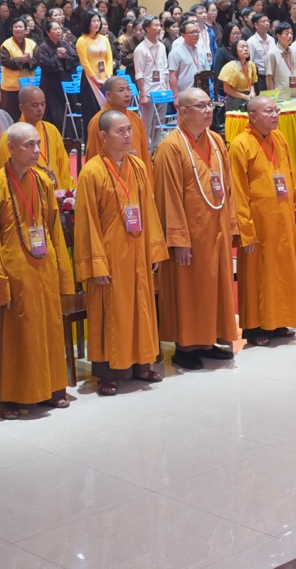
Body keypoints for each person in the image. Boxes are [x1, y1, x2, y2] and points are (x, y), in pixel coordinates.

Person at [0, 122, 75, 419]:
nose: (37, 151)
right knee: (18, 337)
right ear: (11, 148)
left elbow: (54, 230)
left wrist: (62, 275)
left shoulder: (42, 182)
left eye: (38, 144)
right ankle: (13, 397)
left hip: (43, 270)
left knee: (48, 330)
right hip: (13, 276)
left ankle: (52, 389)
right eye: (30, 145)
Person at [75, 109, 166, 394]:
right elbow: (87, 222)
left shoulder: (137, 166)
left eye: (129, 130)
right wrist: (96, 264)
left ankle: (141, 364)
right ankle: (109, 373)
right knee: (113, 312)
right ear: (103, 136)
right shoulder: (91, 172)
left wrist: (153, 249)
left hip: (137, 251)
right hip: (111, 257)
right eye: (120, 131)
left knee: (140, 307)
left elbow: (148, 209)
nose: (128, 136)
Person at [154, 88, 241, 371]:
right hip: (190, 236)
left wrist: (230, 225)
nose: (208, 110)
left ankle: (208, 340)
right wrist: (179, 239)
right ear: (183, 112)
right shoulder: (171, 147)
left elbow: (228, 187)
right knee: (190, 290)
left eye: (209, 104)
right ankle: (187, 346)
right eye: (201, 106)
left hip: (216, 229)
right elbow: (167, 197)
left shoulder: (215, 140)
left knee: (215, 287)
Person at [230, 96, 296, 347]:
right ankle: (255, 326)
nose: (275, 115)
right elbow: (237, 190)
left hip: (282, 217)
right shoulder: (240, 145)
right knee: (258, 273)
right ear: (252, 116)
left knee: (283, 270)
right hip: (258, 221)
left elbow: (291, 174)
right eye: (268, 111)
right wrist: (245, 228)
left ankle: (280, 320)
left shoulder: (279, 138)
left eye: (276, 110)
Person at [0, 86, 75, 188]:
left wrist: (66, 191)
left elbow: (63, 164)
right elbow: (4, 174)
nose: (40, 109)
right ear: (21, 107)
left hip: (56, 193)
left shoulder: (52, 129)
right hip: (27, 193)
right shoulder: (10, 136)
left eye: (43, 104)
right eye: (35, 105)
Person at [85, 76, 149, 162]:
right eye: (121, 90)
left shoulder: (135, 118)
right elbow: (94, 158)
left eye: (128, 89)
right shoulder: (98, 122)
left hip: (136, 169)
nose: (127, 94)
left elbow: (144, 153)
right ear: (109, 95)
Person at [33, 21, 78, 129]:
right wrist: (57, 56)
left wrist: (65, 56)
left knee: (70, 106)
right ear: (48, 33)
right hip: (50, 83)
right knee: (54, 111)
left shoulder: (65, 44)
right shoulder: (43, 47)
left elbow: (75, 58)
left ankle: (70, 134)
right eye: (55, 29)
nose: (58, 31)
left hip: (65, 80)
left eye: (59, 28)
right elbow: (44, 64)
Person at [133, 16, 169, 150]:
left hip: (161, 91)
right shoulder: (140, 49)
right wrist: (142, 94)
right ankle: (145, 151)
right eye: (156, 25)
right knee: (146, 125)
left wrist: (168, 89)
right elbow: (139, 74)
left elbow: (165, 70)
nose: (159, 28)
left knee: (160, 124)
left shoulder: (162, 46)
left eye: (160, 25)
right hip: (148, 92)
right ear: (147, 29)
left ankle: (156, 150)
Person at [76, 12, 114, 109]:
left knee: (108, 108)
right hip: (90, 78)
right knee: (93, 108)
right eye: (93, 21)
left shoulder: (104, 39)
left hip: (105, 76)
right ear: (87, 22)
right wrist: (95, 80)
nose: (97, 23)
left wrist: (109, 76)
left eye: (98, 20)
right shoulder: (82, 40)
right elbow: (84, 62)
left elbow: (109, 58)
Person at [0, 17, 35, 116]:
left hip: (28, 84)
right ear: (12, 29)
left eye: (20, 27)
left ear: (25, 29)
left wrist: (28, 61)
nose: (18, 29)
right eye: (15, 27)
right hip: (11, 86)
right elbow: (4, 61)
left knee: (28, 114)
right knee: (11, 115)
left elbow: (38, 60)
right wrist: (22, 60)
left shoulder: (32, 43)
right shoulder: (6, 44)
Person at [218, 39, 258, 112]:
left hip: (249, 97)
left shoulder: (251, 65)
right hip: (235, 99)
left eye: (247, 47)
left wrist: (252, 92)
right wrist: (244, 96)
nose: (246, 49)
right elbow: (227, 89)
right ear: (235, 50)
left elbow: (252, 83)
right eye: (242, 47)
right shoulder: (230, 67)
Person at [266, 21, 296, 101]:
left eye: (291, 33)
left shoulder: (294, 51)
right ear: (278, 36)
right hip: (280, 96)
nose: (290, 36)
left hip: (294, 94)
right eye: (286, 33)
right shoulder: (272, 53)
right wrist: (272, 98)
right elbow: (269, 77)